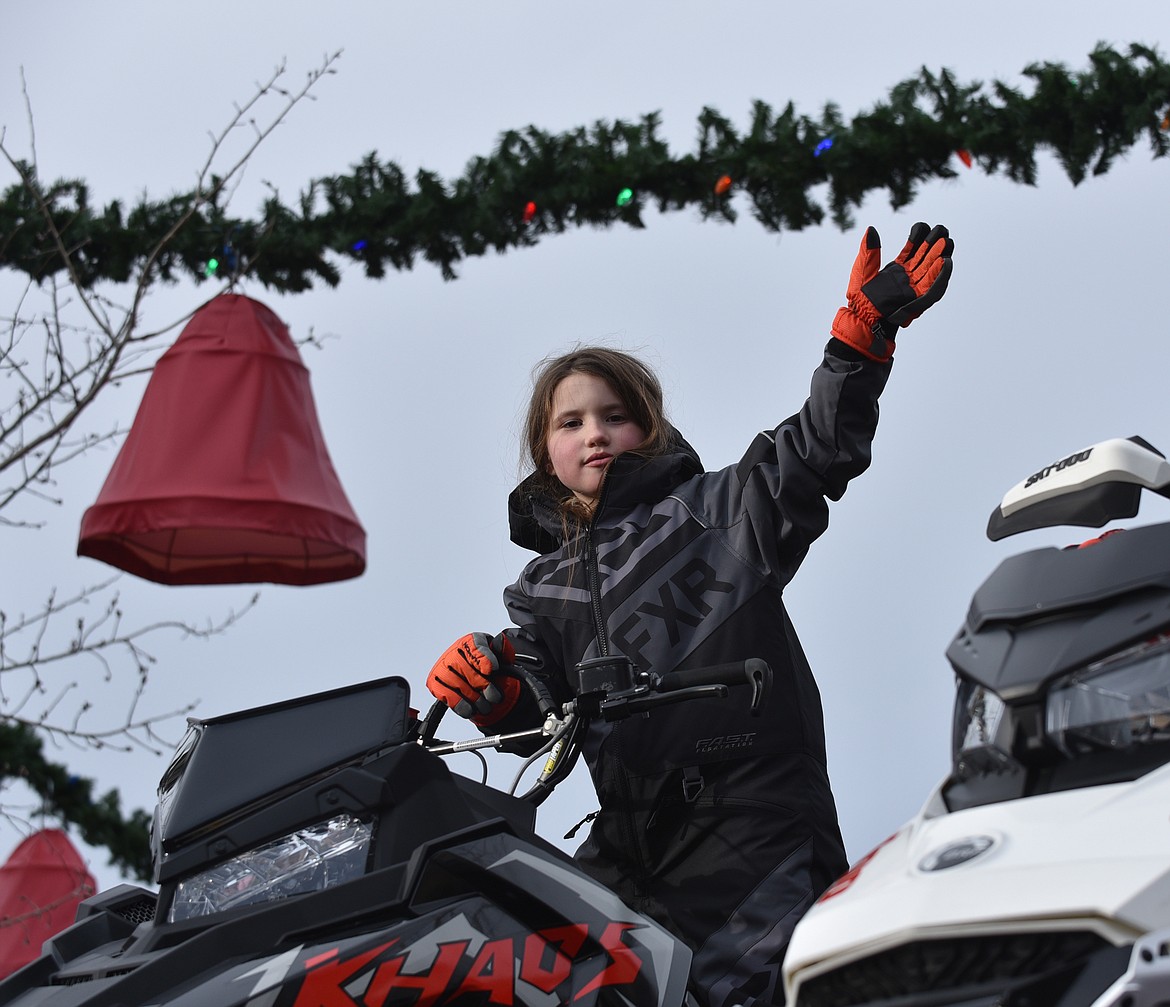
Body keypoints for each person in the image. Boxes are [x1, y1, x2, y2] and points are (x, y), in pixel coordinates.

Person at [426, 222, 955, 1007]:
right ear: (545, 450)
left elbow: (815, 450)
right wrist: (485, 683)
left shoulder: (721, 508)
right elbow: (531, 712)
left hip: (759, 828)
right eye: (570, 423)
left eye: (614, 414)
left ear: (651, 429)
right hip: (637, 850)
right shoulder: (539, 589)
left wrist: (858, 346)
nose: (595, 433)